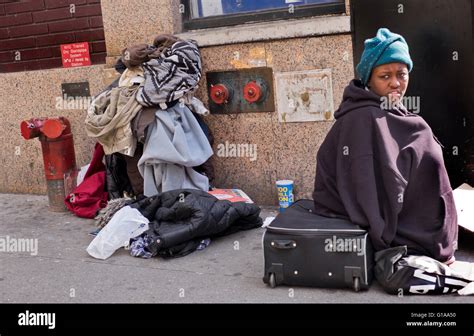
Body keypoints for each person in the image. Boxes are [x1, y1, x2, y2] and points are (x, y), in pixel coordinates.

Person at [312, 28, 457, 263]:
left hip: (419, 226)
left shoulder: (393, 110)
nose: (395, 83)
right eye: (385, 76)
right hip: (391, 227)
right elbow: (365, 188)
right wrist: (381, 237)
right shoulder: (362, 118)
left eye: (401, 74)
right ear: (369, 78)